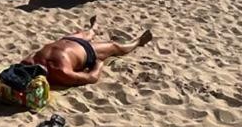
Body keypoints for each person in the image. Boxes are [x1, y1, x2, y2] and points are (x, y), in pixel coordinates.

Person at [22, 16, 153, 87]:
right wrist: (99, 64)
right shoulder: (62, 72)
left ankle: (93, 29)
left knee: (83, 34)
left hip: (66, 41)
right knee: (114, 46)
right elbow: (91, 77)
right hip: (86, 51)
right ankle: (138, 42)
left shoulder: (28, 63)